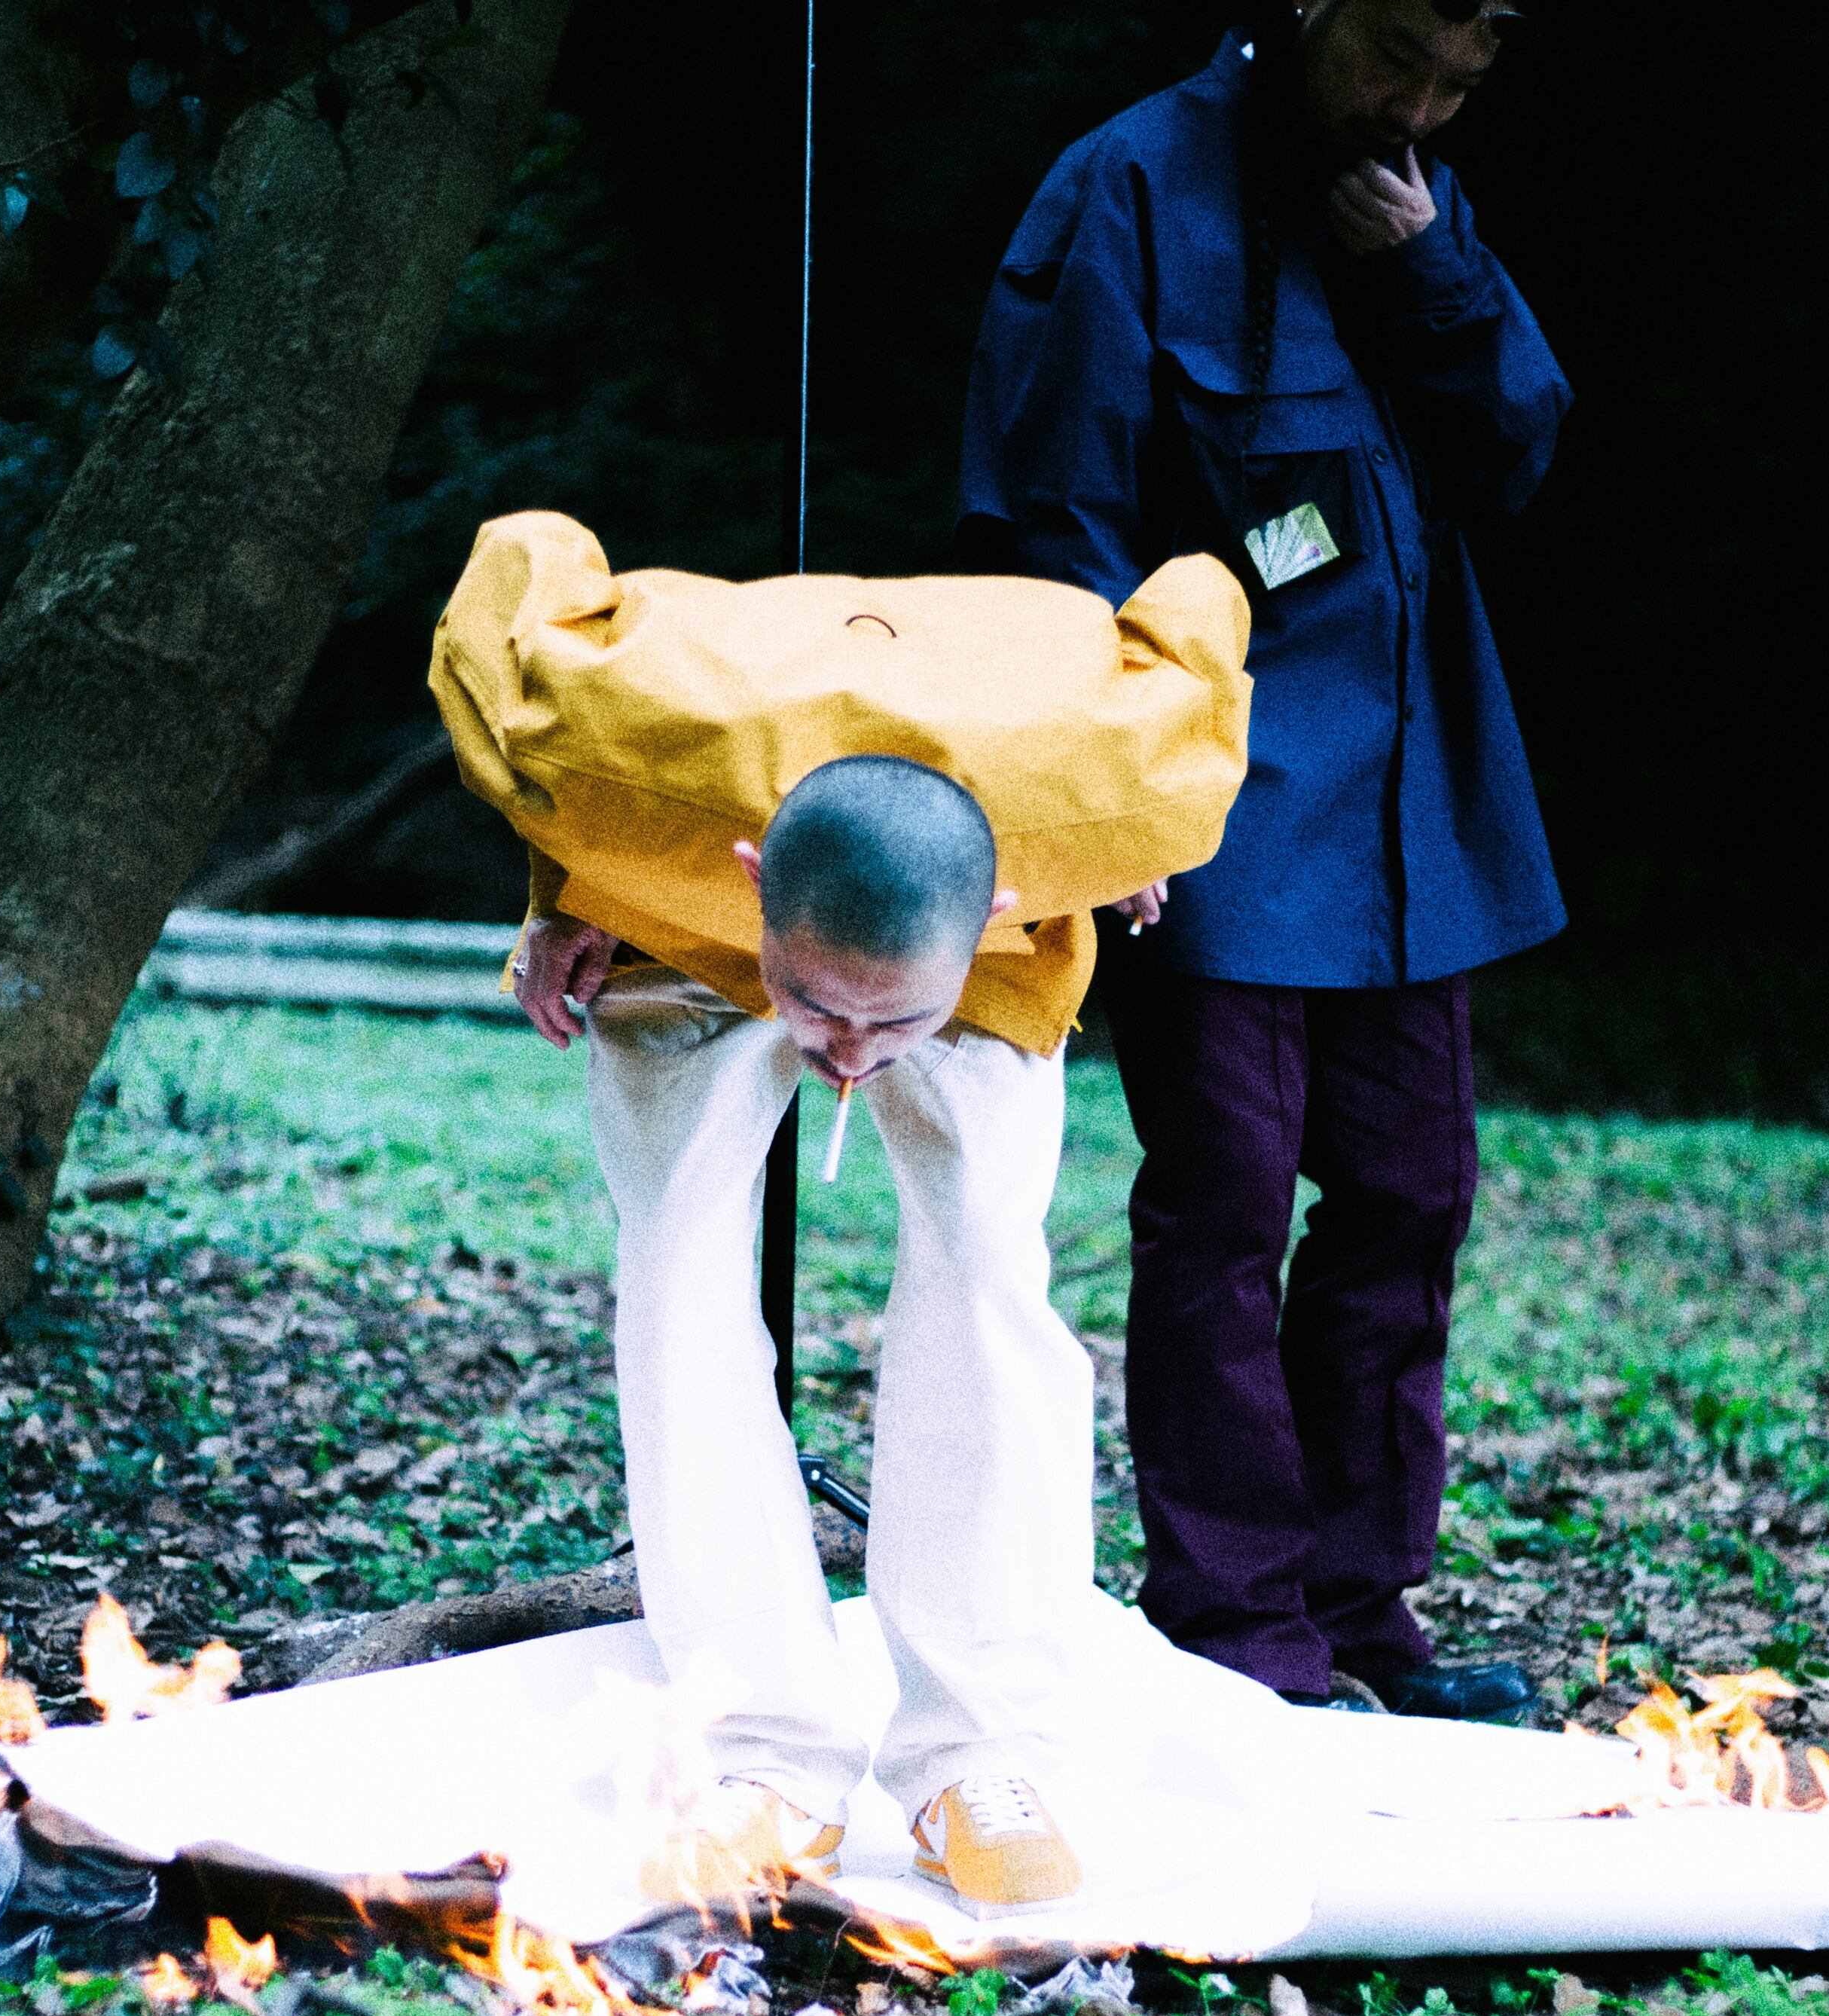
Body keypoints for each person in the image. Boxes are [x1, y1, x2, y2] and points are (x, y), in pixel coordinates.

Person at [429, 511, 1249, 1912]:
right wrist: (571, 877)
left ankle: (979, 1750)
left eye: (890, 1024)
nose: (853, 1057)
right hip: (682, 899)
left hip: (1002, 891)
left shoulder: (1106, 782)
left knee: (992, 1278)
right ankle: (765, 1752)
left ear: (1003, 901)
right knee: (676, 1281)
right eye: (821, 1012)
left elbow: (1202, 596)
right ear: (758, 876)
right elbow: (525, 554)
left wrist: (1109, 839)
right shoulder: (610, 752)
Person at [957, 0, 1568, 1718]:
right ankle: (1237, 1637)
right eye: (1397, 57)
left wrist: (1428, 274)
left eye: (1461, 81)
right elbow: (1047, 520)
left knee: (1409, 1196)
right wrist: (1094, 788)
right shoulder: (1128, 189)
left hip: (1411, 801)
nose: (1421, 105)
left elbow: (1516, 451)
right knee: (1223, 1200)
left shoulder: (1413, 197)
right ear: (1307, 4)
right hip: (1209, 795)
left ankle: (1363, 1618)